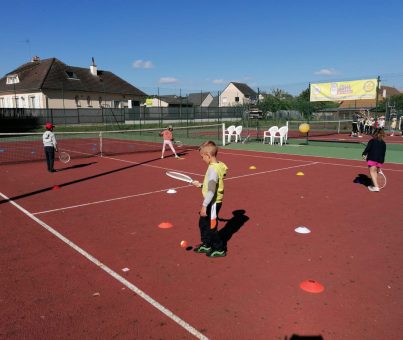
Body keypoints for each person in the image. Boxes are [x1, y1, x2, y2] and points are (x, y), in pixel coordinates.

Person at [192, 141, 228, 257]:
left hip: (212, 203)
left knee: (211, 227)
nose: (202, 159)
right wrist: (201, 185)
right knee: (203, 223)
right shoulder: (218, 165)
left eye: (202, 157)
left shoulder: (213, 170)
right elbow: (212, 186)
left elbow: (212, 191)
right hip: (212, 201)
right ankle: (207, 244)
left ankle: (219, 248)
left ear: (208, 155)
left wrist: (204, 206)